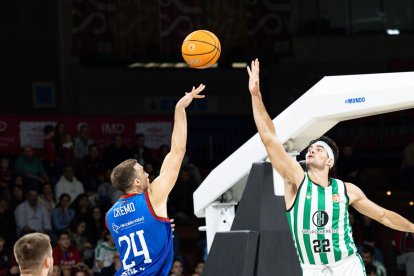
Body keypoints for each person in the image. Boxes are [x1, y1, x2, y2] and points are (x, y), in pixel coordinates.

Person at [247, 58, 414, 275]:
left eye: (319, 149)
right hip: (312, 268)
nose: (312, 150)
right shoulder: (296, 180)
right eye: (311, 148)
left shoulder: (347, 190)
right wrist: (256, 96)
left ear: (329, 161)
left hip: (347, 265)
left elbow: (383, 216)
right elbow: (269, 139)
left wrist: (412, 227)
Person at [106, 84, 205, 276]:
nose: (147, 175)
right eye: (143, 172)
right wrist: (180, 109)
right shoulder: (152, 196)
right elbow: (178, 151)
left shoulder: (110, 216)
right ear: (136, 182)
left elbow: (140, 232)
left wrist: (161, 227)